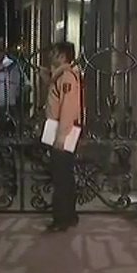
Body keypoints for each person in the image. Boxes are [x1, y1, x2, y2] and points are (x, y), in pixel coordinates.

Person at [44, 41, 83, 232]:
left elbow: (68, 107)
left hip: (62, 129)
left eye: (54, 52)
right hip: (61, 128)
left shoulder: (66, 77)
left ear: (62, 56)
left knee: (61, 176)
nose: (50, 55)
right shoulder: (60, 76)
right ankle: (70, 215)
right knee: (65, 175)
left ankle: (61, 219)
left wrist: (61, 135)